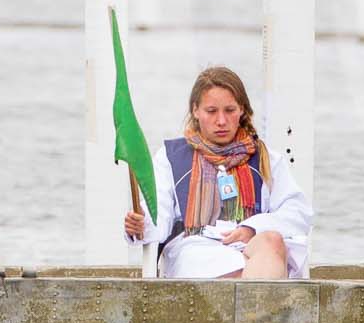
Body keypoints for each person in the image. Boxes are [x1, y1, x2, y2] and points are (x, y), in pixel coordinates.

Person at [122, 66, 313, 279]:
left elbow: (298, 212)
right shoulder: (171, 157)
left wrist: (251, 227)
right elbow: (159, 216)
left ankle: (253, 299)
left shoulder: (266, 158)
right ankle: (258, 302)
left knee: (272, 241)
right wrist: (140, 225)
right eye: (211, 111)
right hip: (196, 247)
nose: (221, 121)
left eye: (229, 110)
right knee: (247, 273)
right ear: (195, 110)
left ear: (241, 110)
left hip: (248, 245)